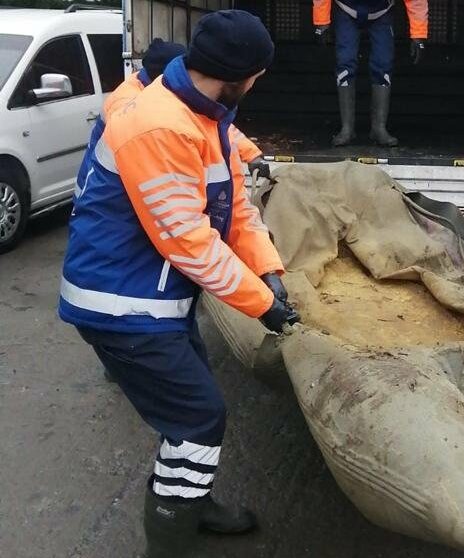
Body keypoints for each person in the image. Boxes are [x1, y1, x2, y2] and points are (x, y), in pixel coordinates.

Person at [58, 11, 298, 556]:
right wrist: (262, 304)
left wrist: (268, 269)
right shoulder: (160, 126)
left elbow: (235, 205)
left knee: (191, 408)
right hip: (122, 305)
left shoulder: (206, 114)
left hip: (155, 297)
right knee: (198, 417)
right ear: (239, 75)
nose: (257, 84)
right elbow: (188, 241)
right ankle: (170, 539)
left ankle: (193, 499)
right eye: (257, 75)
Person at [76, 39, 264, 203]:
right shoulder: (129, 104)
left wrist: (252, 154)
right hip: (107, 199)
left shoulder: (160, 93)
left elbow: (214, 126)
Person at [313, 0, 428, 147]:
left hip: (382, 11)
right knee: (345, 62)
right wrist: (321, 22)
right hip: (346, 9)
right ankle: (347, 129)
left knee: (383, 63)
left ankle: (379, 129)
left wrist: (418, 35)